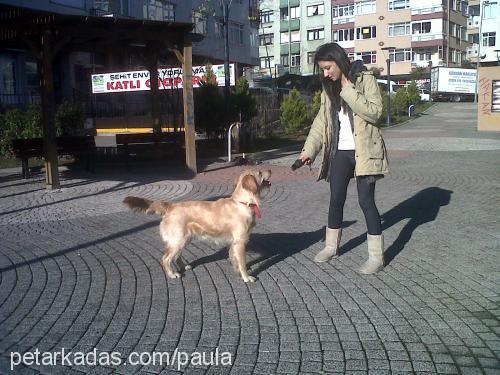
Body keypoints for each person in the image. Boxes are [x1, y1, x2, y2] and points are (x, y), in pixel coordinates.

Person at [298, 43, 389, 274]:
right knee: (335, 199)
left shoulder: (364, 78)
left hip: (364, 151)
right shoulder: (328, 89)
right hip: (340, 152)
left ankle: (376, 257)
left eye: (328, 68)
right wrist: (309, 150)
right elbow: (321, 122)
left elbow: (376, 113)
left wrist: (349, 90)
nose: (325, 73)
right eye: (322, 69)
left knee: (366, 202)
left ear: (339, 61)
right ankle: (331, 247)